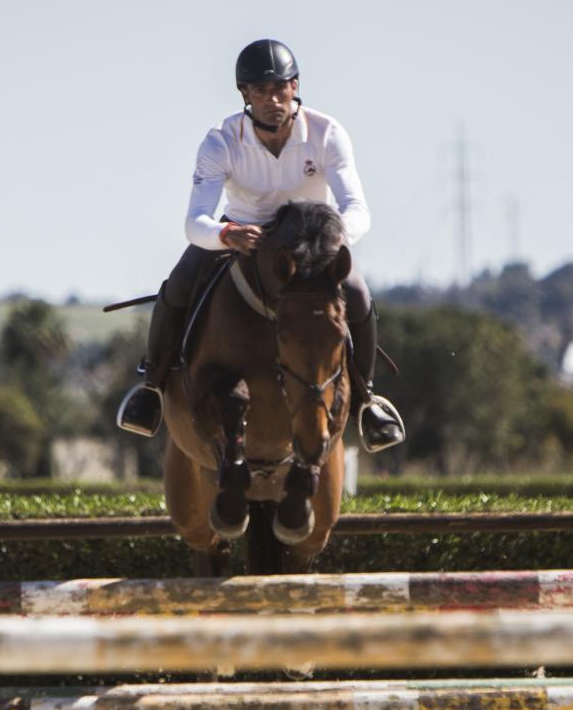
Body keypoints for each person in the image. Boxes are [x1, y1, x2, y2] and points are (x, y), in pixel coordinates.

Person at [116, 38, 406, 452]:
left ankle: (366, 400)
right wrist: (224, 235)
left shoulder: (328, 133)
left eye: (281, 88)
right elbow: (195, 221)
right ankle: (152, 389)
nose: (273, 99)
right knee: (178, 284)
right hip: (241, 235)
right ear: (245, 95)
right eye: (261, 90)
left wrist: (334, 238)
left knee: (358, 293)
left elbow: (357, 208)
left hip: (311, 244)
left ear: (295, 86)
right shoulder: (220, 141)